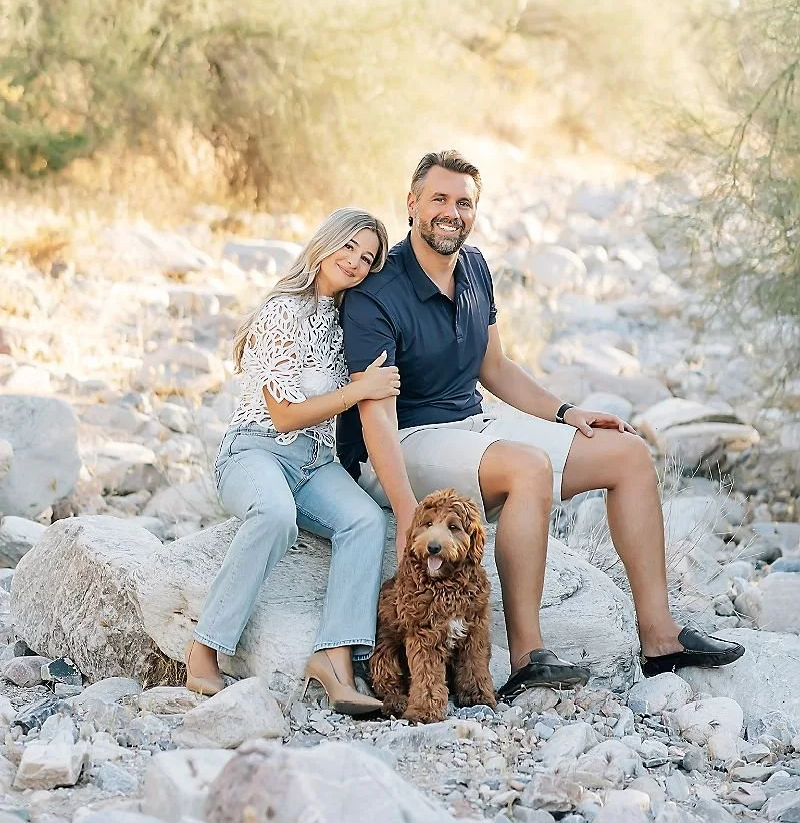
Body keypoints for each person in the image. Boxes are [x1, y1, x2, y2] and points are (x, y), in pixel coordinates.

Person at [338, 151, 745, 698]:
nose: (451, 212)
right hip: (402, 438)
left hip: (470, 424)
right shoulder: (377, 290)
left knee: (627, 454)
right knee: (527, 466)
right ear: (412, 205)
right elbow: (374, 412)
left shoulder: (475, 267)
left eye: (464, 202)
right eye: (439, 199)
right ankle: (528, 655)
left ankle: (660, 638)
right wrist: (408, 510)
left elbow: (495, 366)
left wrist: (567, 413)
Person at [186, 208, 400, 715]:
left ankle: (334, 659)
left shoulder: (345, 320)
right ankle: (203, 653)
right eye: (348, 246)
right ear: (326, 242)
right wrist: (358, 390)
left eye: (367, 258)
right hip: (255, 450)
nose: (355, 261)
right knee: (275, 515)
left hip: (313, 461)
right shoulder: (284, 309)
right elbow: (282, 416)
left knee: (365, 521)